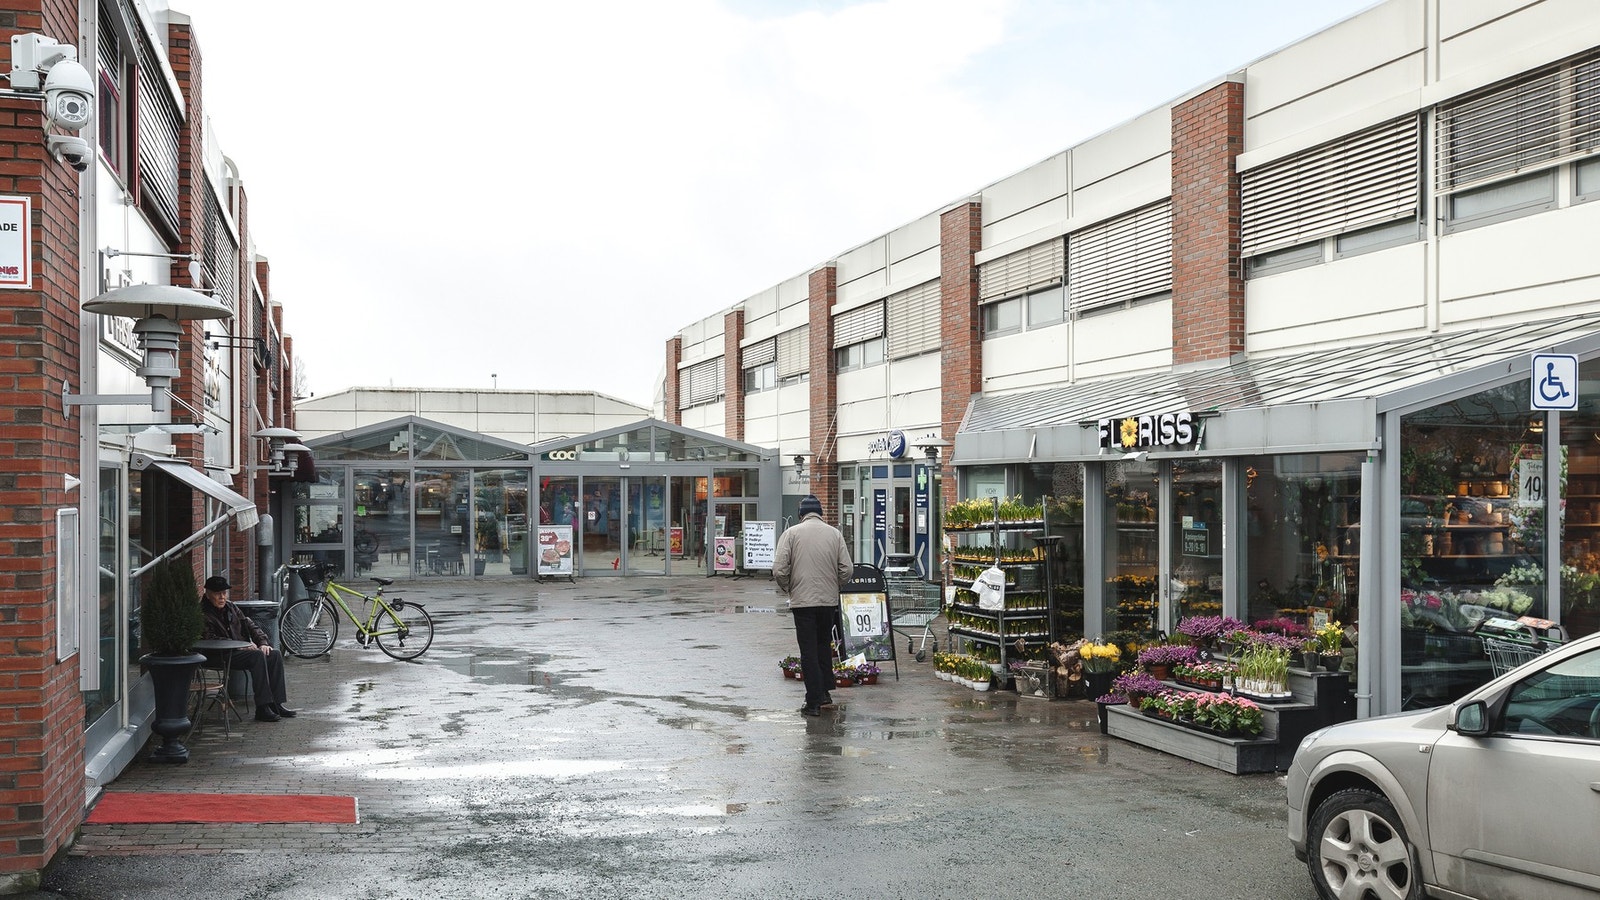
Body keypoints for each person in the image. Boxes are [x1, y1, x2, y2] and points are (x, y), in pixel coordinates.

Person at [773, 495, 853, 717]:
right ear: (821, 513)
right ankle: (825, 692)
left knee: (808, 651)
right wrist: (834, 584)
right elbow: (847, 569)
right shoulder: (835, 534)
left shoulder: (790, 534)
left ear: (801, 514)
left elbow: (779, 570)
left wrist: (790, 588)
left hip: (803, 603)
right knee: (823, 647)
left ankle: (813, 702)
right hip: (828, 602)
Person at [200, 575, 297, 722]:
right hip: (219, 655)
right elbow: (210, 639)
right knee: (257, 656)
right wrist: (242, 646)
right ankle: (262, 708)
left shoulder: (231, 607)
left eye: (224, 593)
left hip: (238, 651)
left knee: (274, 654)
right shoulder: (202, 613)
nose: (222, 597)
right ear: (207, 594)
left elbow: (251, 625)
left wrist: (263, 642)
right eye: (217, 593)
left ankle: (276, 704)